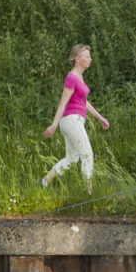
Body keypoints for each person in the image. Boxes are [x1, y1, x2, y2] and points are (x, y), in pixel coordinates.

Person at [41, 44, 110, 193]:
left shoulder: (80, 77)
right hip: (72, 120)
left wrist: (99, 118)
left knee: (72, 159)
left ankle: (44, 182)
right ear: (78, 59)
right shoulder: (71, 77)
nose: (90, 59)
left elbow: (83, 102)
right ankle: (88, 193)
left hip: (72, 120)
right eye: (87, 56)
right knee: (87, 154)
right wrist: (53, 125)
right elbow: (62, 103)